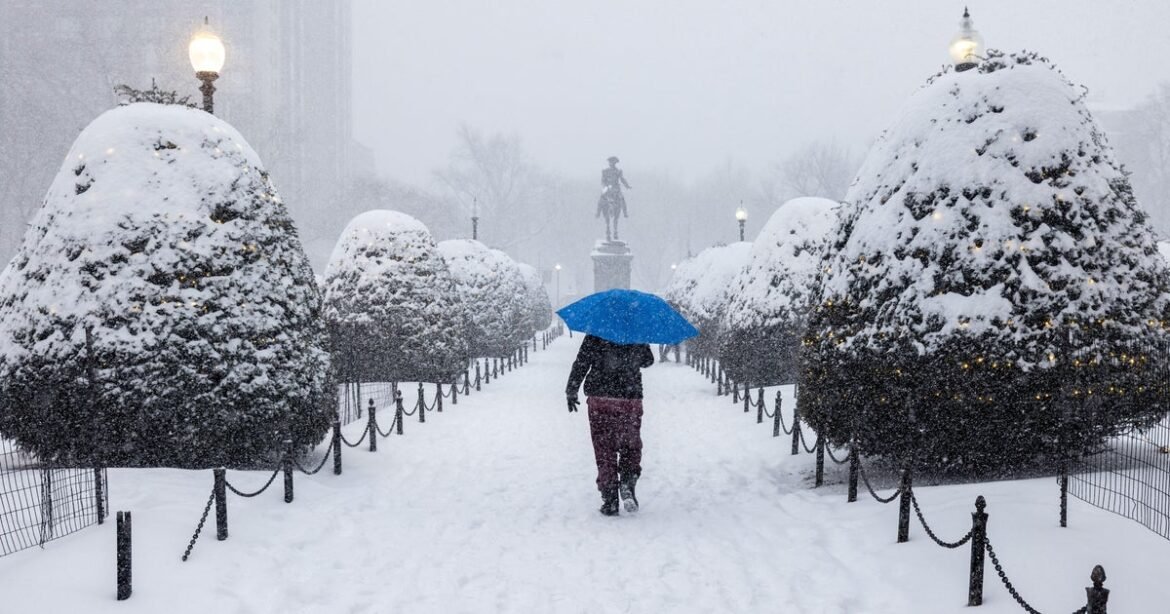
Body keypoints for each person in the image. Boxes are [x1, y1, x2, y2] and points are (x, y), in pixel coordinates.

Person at [566, 334, 654, 516]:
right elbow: (648, 361)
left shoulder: (596, 331)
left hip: (600, 398)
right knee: (631, 444)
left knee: (603, 448)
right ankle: (627, 481)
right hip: (630, 398)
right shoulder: (635, 331)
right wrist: (634, 351)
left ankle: (610, 498)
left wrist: (571, 390)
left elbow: (582, 361)